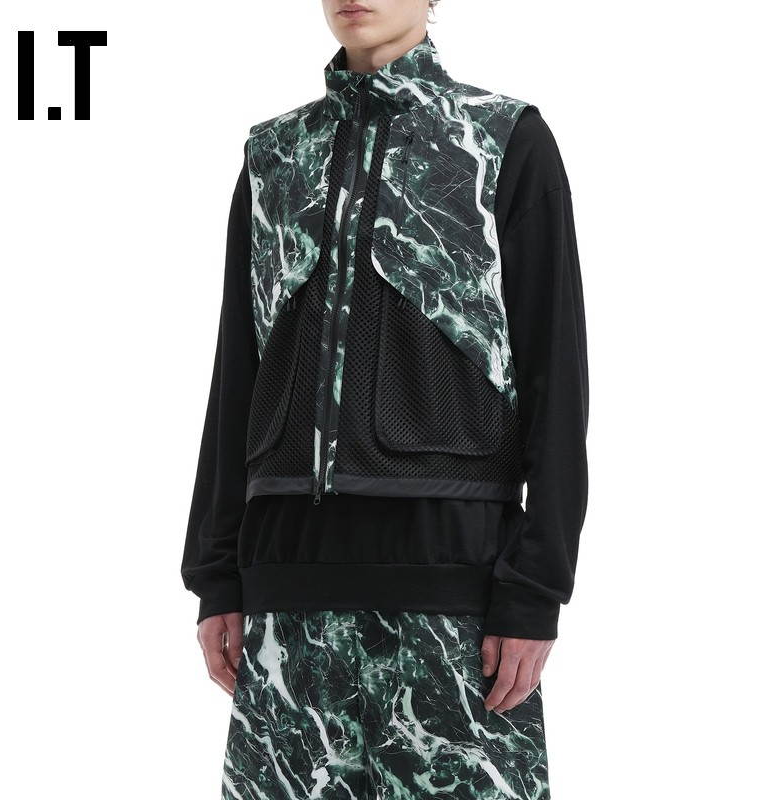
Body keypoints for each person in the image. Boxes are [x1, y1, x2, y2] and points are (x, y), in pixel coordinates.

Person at [181, 0, 589, 797]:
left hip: (454, 588)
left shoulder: (503, 139)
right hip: (286, 588)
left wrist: (536, 589)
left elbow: (556, 375)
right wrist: (217, 574)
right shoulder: (274, 155)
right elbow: (237, 373)